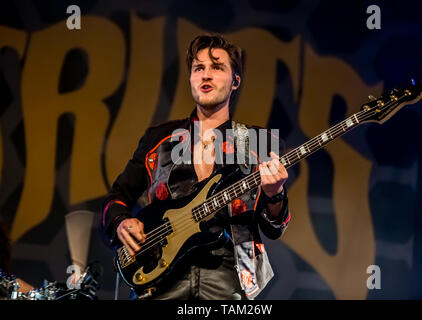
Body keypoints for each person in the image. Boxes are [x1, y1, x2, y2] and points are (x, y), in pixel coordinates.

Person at [100, 34, 291, 300]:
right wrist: (121, 222)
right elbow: (117, 197)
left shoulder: (257, 142)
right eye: (198, 68)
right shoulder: (159, 139)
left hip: (231, 274)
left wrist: (275, 194)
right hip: (159, 273)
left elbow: (273, 227)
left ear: (235, 81)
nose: (206, 75)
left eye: (217, 67)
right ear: (190, 78)